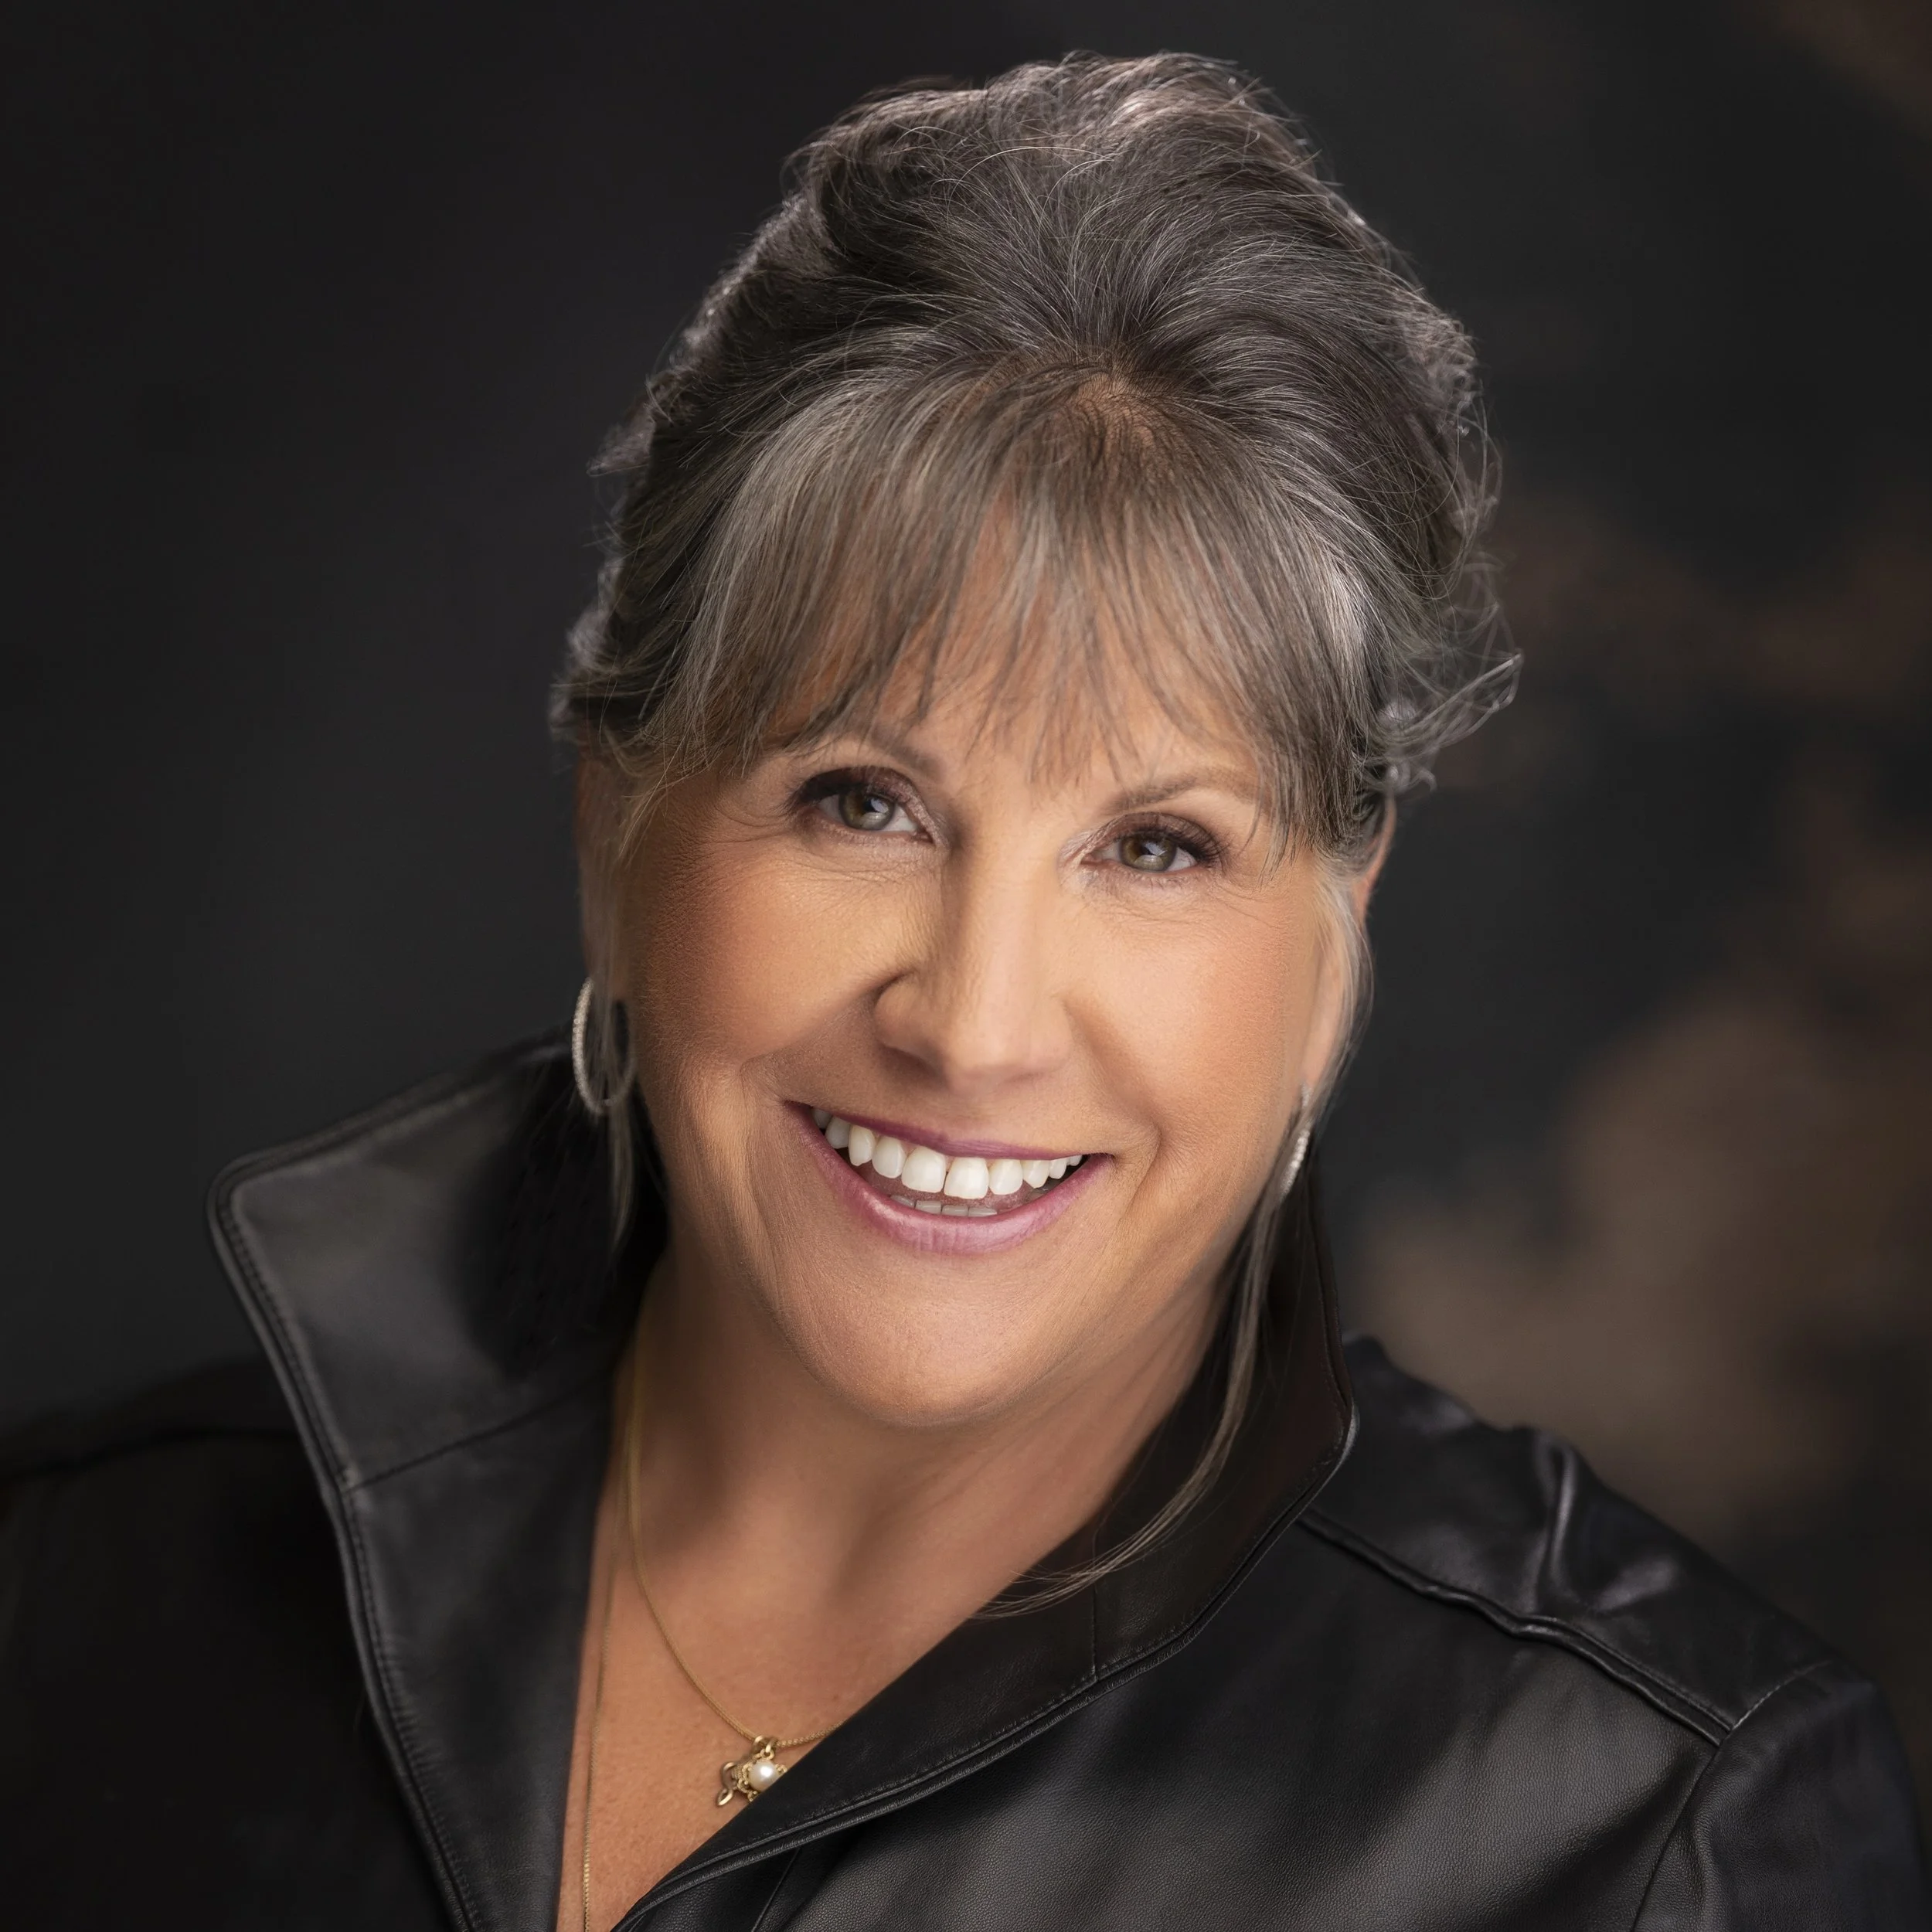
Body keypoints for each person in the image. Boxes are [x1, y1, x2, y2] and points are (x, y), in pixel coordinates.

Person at [2, 53, 1924, 1932]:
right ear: (617, 829)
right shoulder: (73, 1594)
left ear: (1338, 920)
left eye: (1156, 844)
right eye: (865, 801)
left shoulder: (1651, 1830)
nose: (976, 1018)